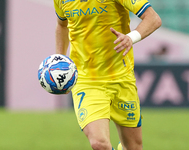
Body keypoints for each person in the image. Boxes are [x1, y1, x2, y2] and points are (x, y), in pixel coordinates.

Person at [53, 0, 161, 149]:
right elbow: (62, 25)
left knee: (133, 147)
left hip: (121, 78)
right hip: (87, 80)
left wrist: (131, 37)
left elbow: (153, 18)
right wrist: (59, 60)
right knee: (99, 143)